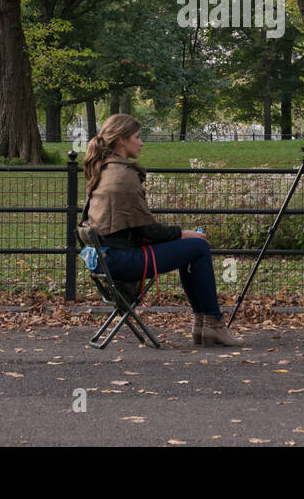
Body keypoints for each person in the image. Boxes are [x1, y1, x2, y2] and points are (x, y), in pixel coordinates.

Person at [79, 113, 244, 347]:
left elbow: (136, 229)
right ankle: (211, 324)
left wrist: (179, 237)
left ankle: (203, 325)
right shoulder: (123, 176)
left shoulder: (102, 170)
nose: (141, 142)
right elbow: (149, 230)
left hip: (107, 257)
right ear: (122, 140)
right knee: (198, 246)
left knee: (191, 247)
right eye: (137, 137)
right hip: (123, 259)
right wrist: (184, 233)